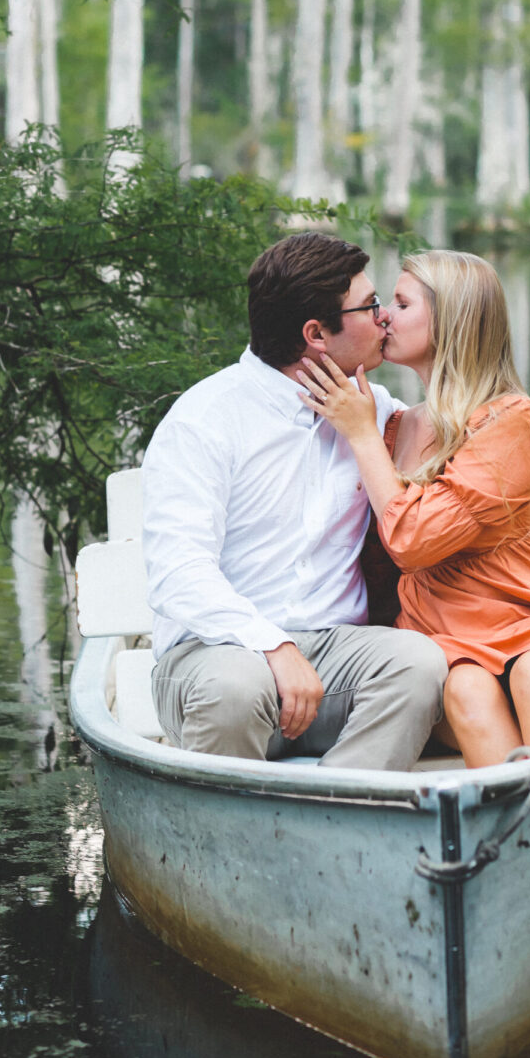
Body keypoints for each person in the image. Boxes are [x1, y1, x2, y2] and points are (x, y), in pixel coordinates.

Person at [297, 249, 530, 769]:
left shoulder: (511, 420)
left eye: (401, 302)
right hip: (445, 635)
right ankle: (517, 842)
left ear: (452, 320)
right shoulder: (391, 425)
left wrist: (362, 436)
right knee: (463, 688)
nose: (384, 315)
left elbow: (413, 539)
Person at [141, 232, 448, 770]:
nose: (383, 318)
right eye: (370, 305)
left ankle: (339, 819)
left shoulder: (372, 410)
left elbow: (470, 447)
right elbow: (177, 571)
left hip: (335, 655)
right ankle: (227, 845)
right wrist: (272, 648)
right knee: (235, 688)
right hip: (216, 655)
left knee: (419, 665)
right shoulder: (205, 419)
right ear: (316, 334)